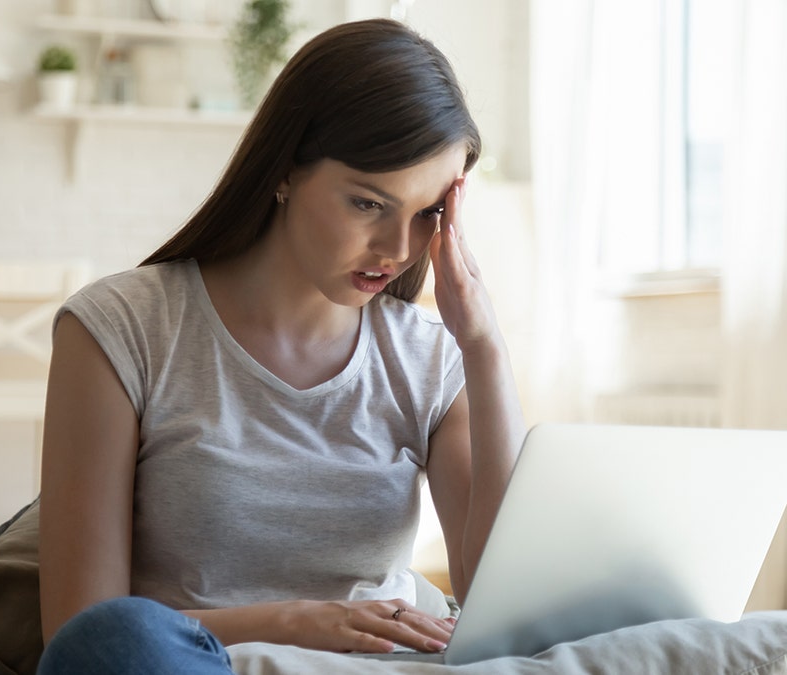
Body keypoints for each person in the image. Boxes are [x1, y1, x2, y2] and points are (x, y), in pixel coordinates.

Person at [35, 17, 526, 674]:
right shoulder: (122, 326)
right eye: (367, 203)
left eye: (427, 214)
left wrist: (485, 348)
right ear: (287, 170)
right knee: (115, 641)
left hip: (372, 668)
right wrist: (302, 622)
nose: (398, 249)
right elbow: (79, 627)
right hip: (190, 664)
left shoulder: (431, 361)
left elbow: (499, 603)